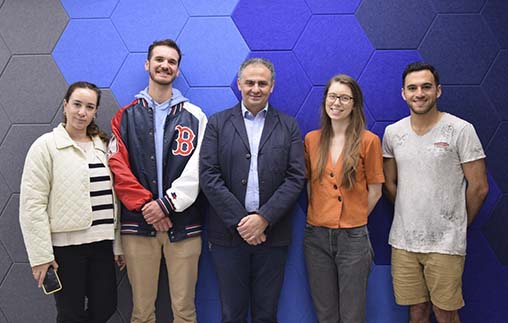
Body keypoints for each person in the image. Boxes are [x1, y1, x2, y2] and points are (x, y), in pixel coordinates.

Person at [199, 57, 305, 323]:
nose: (255, 88)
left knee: (266, 314)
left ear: (272, 86)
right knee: (231, 314)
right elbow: (208, 176)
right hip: (227, 236)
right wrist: (242, 222)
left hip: (273, 234)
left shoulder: (288, 126)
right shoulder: (217, 123)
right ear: (239, 85)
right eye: (250, 82)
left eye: (262, 83)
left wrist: (263, 218)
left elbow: (295, 177)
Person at [108, 39, 207, 323]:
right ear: (147, 64)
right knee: (141, 312)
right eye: (159, 59)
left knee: (185, 311)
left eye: (172, 62)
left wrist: (166, 205)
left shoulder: (195, 116)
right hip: (138, 227)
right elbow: (118, 167)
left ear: (177, 70)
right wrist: (147, 207)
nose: (165, 65)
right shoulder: (125, 116)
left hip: (184, 225)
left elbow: (199, 167)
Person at [382, 62, 489, 323]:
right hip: (404, 243)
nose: (419, 93)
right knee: (416, 312)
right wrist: (411, 211)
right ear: (403, 93)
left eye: (426, 87)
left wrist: (457, 225)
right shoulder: (393, 133)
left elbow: (479, 187)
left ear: (438, 91)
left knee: (445, 313)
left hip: (445, 244)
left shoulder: (461, 130)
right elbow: (389, 183)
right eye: (413, 88)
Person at [19, 81, 125, 323]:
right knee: (70, 314)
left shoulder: (102, 146)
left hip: (101, 245)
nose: (82, 112)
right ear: (65, 105)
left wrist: (117, 245)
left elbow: (115, 200)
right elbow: (32, 205)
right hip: (66, 250)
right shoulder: (45, 146)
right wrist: (41, 256)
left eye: (89, 107)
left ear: (95, 111)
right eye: (77, 104)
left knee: (106, 306)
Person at [304, 74, 384, 322]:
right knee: (325, 313)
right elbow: (310, 186)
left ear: (354, 104)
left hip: (353, 238)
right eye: (332, 96)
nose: (337, 103)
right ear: (325, 100)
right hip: (316, 236)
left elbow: (376, 191)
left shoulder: (369, 141)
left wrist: (353, 216)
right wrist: (323, 212)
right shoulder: (311, 139)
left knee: (352, 314)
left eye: (344, 98)